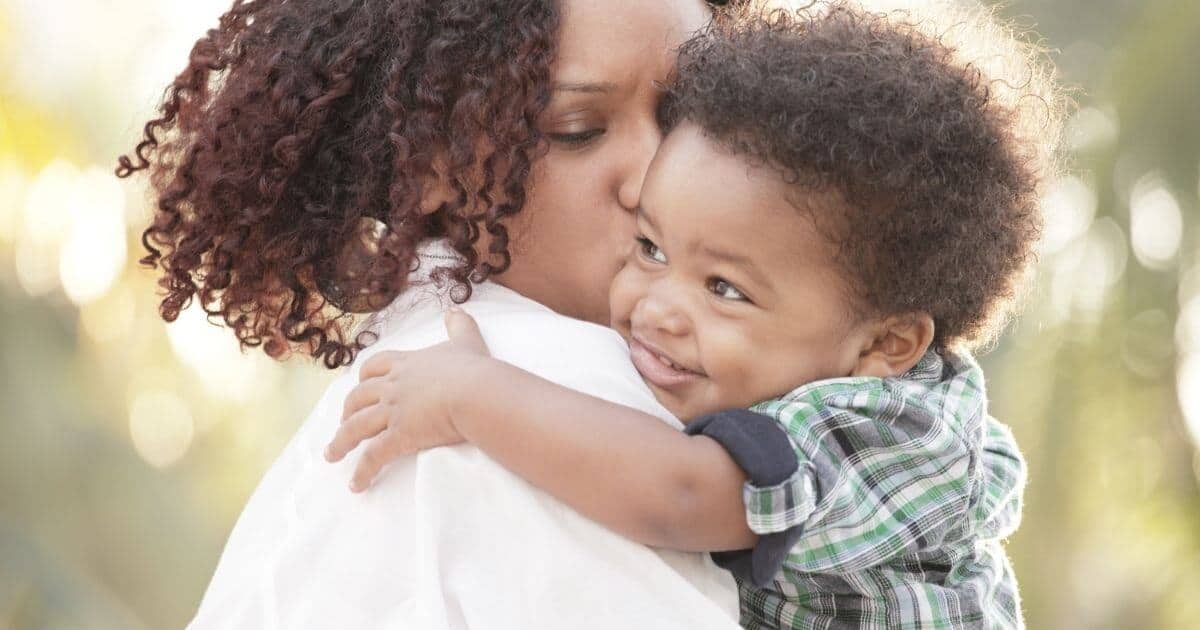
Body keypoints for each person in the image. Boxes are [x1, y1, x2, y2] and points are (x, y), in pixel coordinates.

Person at [326, 2, 1064, 628]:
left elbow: (679, 492)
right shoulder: (783, 367)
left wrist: (474, 396)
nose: (659, 309)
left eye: (726, 290)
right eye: (650, 249)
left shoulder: (881, 430)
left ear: (887, 343)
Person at [117, 0, 748, 627]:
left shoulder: (416, 377)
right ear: (426, 163)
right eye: (578, 128)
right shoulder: (545, 396)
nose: (655, 177)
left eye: (689, 115)